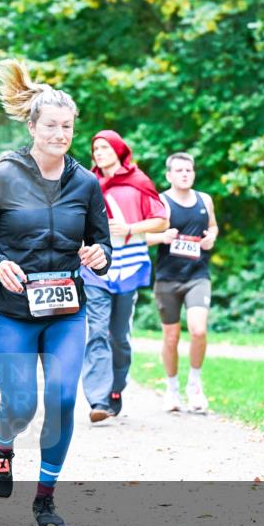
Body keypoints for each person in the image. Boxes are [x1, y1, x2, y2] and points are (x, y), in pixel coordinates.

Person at [0, 59, 111, 526]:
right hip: (11, 311)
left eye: (67, 127)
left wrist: (99, 256)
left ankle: (45, 499)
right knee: (21, 404)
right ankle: (1, 446)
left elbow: (101, 240)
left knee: (64, 398)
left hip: (65, 308)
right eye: (51, 126)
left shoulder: (85, 183)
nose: (60, 134)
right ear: (32, 126)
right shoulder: (1, 176)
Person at [80, 131, 169, 422]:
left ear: (119, 150)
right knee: (96, 332)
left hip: (129, 266)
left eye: (105, 147)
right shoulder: (87, 183)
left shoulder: (138, 182)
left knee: (119, 337)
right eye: (95, 149)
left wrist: (130, 228)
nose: (99, 153)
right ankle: (98, 400)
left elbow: (161, 220)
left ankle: (116, 389)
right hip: (95, 268)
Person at [145, 152, 218, 413]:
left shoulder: (205, 200)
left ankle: (195, 386)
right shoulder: (160, 203)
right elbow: (143, 237)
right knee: (171, 338)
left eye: (188, 170)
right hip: (167, 278)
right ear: (169, 175)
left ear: (193, 173)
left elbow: (213, 227)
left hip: (197, 276)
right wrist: (162, 236)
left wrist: (211, 238)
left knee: (198, 330)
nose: (185, 174)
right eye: (179, 170)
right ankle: (172, 389)